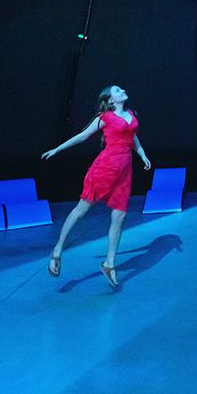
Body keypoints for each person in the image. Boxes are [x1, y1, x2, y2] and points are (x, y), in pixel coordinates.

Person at [41, 84, 151, 288]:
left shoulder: (130, 115)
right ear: (110, 100)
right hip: (105, 168)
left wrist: (142, 155)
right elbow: (83, 136)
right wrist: (58, 149)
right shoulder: (105, 117)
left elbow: (133, 137)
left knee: (119, 217)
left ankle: (109, 263)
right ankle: (57, 250)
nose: (122, 91)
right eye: (117, 91)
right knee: (81, 210)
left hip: (124, 171)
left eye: (121, 89)